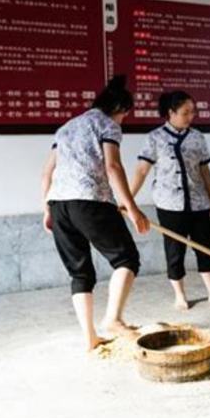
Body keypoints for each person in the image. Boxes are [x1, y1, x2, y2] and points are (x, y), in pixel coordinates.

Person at [41, 75, 150, 352]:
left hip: (59, 204)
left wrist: (47, 208)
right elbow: (113, 167)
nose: (124, 119)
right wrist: (134, 209)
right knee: (126, 258)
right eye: (126, 114)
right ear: (120, 109)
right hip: (90, 200)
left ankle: (90, 337)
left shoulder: (67, 127)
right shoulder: (108, 124)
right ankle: (113, 319)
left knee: (80, 274)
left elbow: (47, 173)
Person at [130, 90, 210, 309]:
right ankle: (179, 295)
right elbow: (141, 171)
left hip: (198, 202)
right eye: (185, 112)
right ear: (171, 113)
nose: (191, 116)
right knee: (175, 250)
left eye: (192, 112)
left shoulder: (197, 136)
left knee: (205, 247)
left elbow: (204, 170)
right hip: (170, 204)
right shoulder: (155, 138)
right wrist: (128, 199)